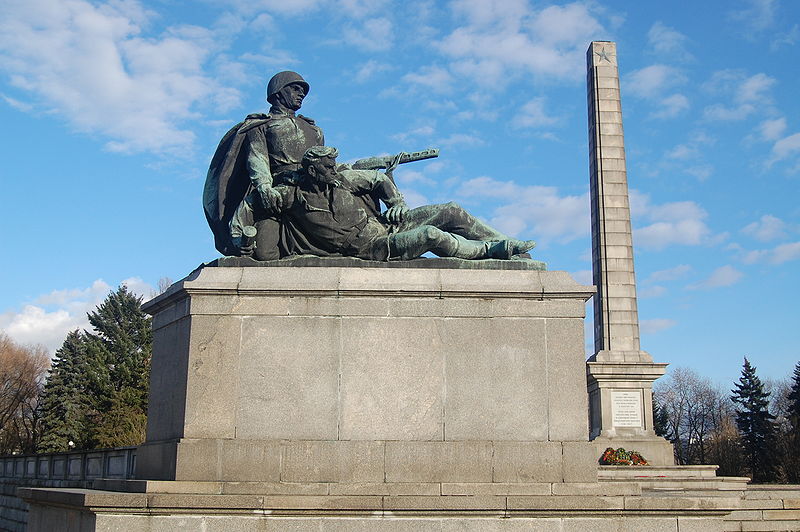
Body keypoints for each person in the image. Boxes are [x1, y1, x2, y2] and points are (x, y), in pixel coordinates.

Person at [262, 146, 536, 261]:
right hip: (371, 247)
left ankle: (508, 244)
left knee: (451, 209)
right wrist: (243, 234)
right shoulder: (292, 196)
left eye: (334, 166)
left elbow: (379, 179)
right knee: (430, 235)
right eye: (328, 168)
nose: (334, 171)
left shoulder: (344, 180)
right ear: (312, 171)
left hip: (386, 225)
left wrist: (396, 202)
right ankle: (493, 250)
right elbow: (254, 202)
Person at [203, 71, 324, 257]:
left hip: (312, 191)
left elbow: (324, 163)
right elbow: (257, 158)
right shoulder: (261, 125)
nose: (301, 94)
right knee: (264, 253)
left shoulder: (313, 130)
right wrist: (265, 187)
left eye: (303, 91)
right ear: (278, 92)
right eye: (295, 89)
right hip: (278, 192)